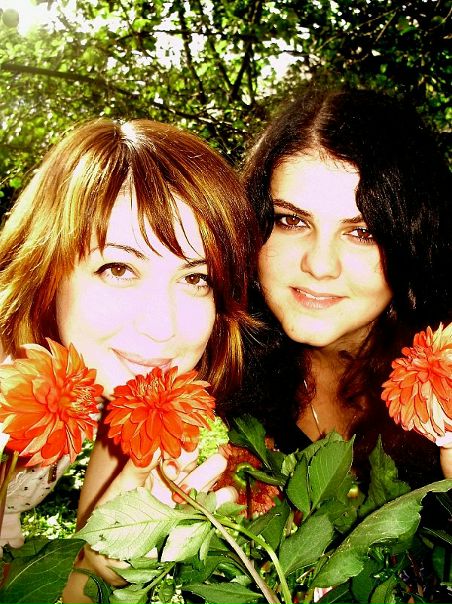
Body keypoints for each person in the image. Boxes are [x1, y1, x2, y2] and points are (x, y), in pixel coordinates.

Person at [0, 118, 259, 595]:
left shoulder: (98, 384)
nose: (162, 326)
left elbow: (83, 577)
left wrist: (107, 559)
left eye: (195, 279)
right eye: (118, 268)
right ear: (47, 266)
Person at [222, 86, 451, 488]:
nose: (319, 265)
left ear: (412, 241)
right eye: (291, 221)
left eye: (362, 232)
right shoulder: (217, 365)